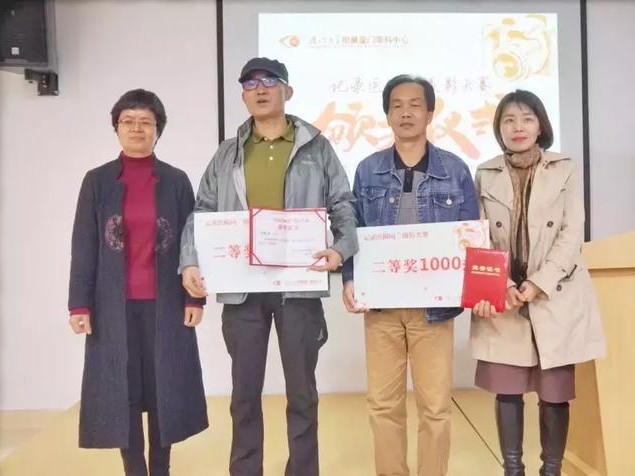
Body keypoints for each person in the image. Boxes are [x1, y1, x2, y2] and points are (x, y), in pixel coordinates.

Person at [179, 57, 357, 476]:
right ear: (243, 95)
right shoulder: (227, 153)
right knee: (243, 395)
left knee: (302, 394)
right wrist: (190, 260)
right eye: (250, 84)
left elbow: (343, 204)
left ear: (287, 91)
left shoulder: (316, 146)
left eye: (269, 81)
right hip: (242, 288)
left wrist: (341, 248)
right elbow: (203, 210)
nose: (259, 89)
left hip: (298, 287)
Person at [341, 74, 478, 476]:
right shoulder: (368, 170)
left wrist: (475, 288)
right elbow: (352, 231)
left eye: (415, 104)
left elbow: (471, 236)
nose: (406, 112)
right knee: (383, 406)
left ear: (430, 113)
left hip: (433, 310)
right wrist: (350, 278)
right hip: (382, 308)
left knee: (435, 408)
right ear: (387, 115)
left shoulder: (455, 170)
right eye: (397, 105)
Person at [68, 89, 208, 476]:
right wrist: (79, 303)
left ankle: (161, 467)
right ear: (116, 127)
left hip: (166, 305)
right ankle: (134, 468)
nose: (136, 128)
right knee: (121, 390)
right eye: (128, 121)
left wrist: (194, 299)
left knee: (165, 390)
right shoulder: (97, 181)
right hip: (112, 307)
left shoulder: (176, 181)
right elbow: (84, 245)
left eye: (146, 122)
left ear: (158, 130)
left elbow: (192, 242)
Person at [470, 89, 606, 476]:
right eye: (509, 120)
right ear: (499, 128)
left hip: (554, 294)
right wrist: (503, 285)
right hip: (506, 297)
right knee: (508, 390)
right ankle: (512, 470)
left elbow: (571, 232)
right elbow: (478, 235)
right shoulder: (485, 172)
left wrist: (538, 283)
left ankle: (552, 470)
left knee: (554, 393)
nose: (518, 127)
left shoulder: (565, 168)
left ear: (540, 125)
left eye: (527, 118)